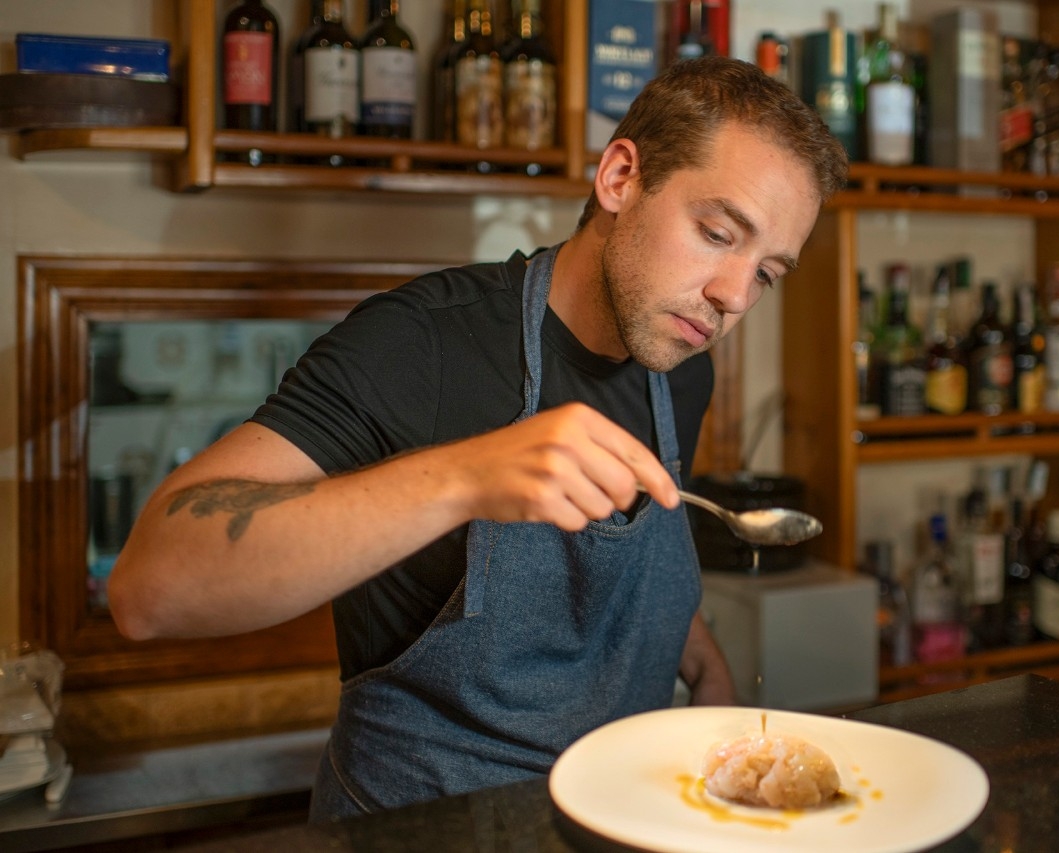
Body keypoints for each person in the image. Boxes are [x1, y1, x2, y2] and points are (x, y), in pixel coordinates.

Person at [108, 55, 848, 821]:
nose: (733, 295)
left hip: (617, 822)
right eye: (718, 232)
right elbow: (148, 589)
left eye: (767, 273)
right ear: (621, 178)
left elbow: (619, 574)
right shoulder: (421, 344)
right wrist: (464, 475)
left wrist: (707, 666)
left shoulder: (679, 366)